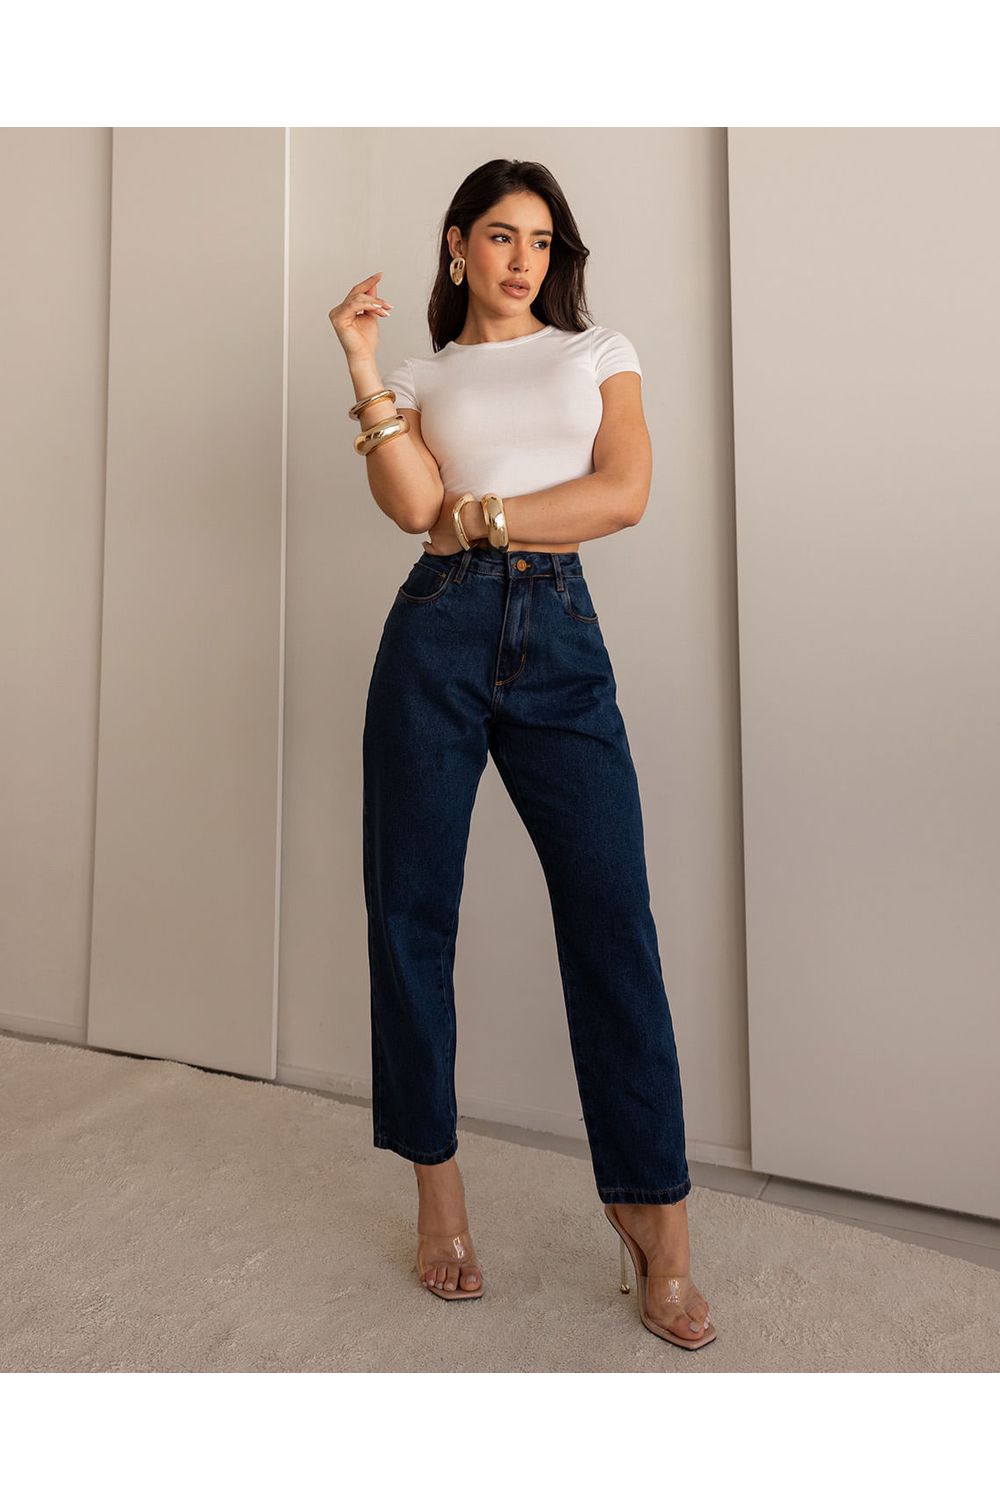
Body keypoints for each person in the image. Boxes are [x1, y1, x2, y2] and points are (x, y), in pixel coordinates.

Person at [327, 158, 716, 1350]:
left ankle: (653, 1215)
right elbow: (412, 508)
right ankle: (438, 1197)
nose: (522, 260)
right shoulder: (421, 375)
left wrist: (485, 515)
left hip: (559, 635)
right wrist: (361, 367)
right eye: (501, 236)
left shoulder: (598, 352)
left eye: (541, 241)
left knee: (612, 921)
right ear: (458, 245)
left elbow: (623, 492)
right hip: (433, 634)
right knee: (411, 915)